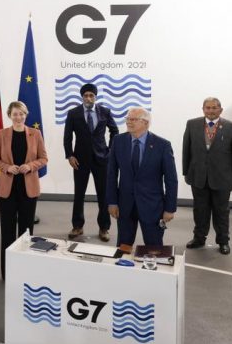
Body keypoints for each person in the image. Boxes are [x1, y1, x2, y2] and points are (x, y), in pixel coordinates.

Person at [0, 101, 48, 278]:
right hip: (7, 190)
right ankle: (7, 273)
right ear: (10, 115)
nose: (18, 117)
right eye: (15, 114)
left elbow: (44, 158)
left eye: (21, 113)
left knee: (26, 233)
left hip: (28, 190)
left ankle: (24, 272)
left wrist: (30, 166)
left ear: (26, 114)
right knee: (7, 233)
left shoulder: (35, 134)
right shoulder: (1, 134)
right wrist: (7, 167)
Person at [107, 107, 177, 249]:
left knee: (154, 249)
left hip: (152, 206)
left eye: (133, 119)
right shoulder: (118, 141)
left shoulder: (162, 145)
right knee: (123, 247)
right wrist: (112, 202)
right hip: (125, 205)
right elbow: (111, 174)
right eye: (127, 119)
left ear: (146, 123)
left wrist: (170, 208)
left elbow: (171, 180)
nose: (129, 122)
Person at [183, 98, 232, 255]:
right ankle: (199, 238)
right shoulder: (192, 124)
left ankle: (223, 241)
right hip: (198, 177)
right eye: (208, 108)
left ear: (220, 110)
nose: (211, 111)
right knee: (200, 210)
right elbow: (186, 150)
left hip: (222, 178)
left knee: (221, 212)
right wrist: (186, 172)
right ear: (203, 109)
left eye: (214, 108)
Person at [63, 83, 118, 241]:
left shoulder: (105, 112)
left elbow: (114, 131)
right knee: (79, 194)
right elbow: (67, 136)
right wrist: (70, 155)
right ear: (82, 97)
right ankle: (77, 226)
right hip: (79, 160)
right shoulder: (73, 113)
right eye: (86, 95)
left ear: (95, 96)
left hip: (102, 159)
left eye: (91, 95)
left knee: (103, 195)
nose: (88, 98)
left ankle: (104, 228)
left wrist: (110, 151)